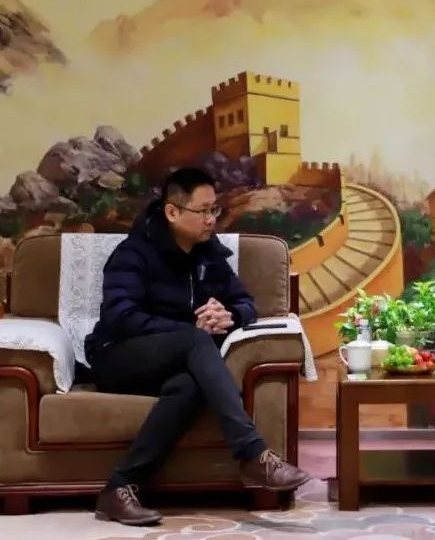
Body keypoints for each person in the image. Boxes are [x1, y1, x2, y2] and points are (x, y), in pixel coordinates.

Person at [83, 167, 311, 526]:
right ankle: (252, 453)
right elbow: (120, 317)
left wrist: (228, 316)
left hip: (173, 360)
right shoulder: (133, 253)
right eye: (202, 211)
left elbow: (246, 303)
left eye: (214, 209)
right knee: (195, 340)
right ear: (172, 212)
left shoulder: (208, 254)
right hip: (117, 356)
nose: (211, 219)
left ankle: (119, 489)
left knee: (191, 385)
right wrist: (190, 328)